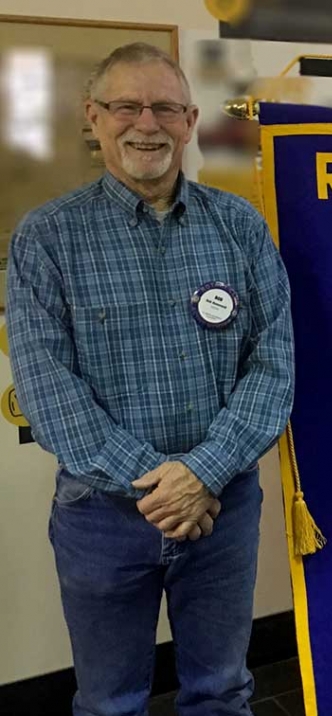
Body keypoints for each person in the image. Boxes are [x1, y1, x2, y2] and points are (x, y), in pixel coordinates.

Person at [6, 43, 294, 716]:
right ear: (93, 117)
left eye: (165, 106)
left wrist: (203, 473)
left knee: (222, 691)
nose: (147, 122)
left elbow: (275, 363)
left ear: (191, 120)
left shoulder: (241, 228)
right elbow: (49, 389)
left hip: (223, 512)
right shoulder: (48, 238)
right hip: (100, 519)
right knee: (110, 703)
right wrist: (162, 486)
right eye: (127, 106)